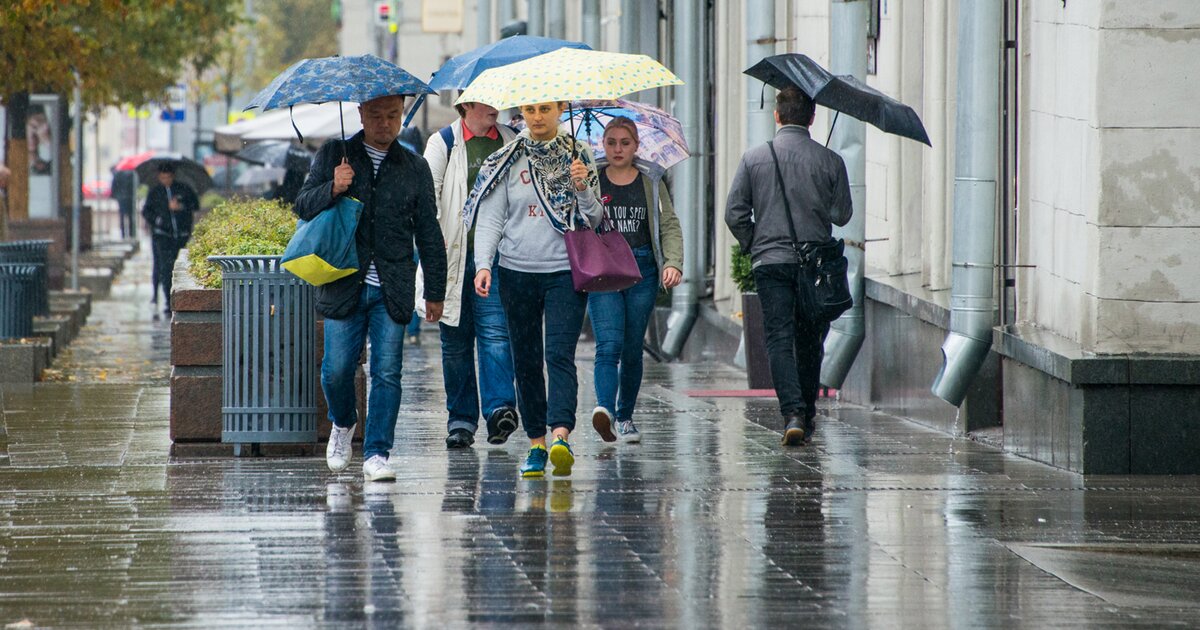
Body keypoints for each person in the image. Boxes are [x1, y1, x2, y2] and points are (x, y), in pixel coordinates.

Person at [294, 94, 447, 482]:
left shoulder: (414, 167)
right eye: (376, 116)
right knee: (336, 370)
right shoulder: (336, 153)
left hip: (391, 286)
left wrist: (435, 289)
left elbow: (429, 231)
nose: (385, 124)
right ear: (361, 114)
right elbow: (302, 205)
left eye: (392, 116)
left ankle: (377, 451)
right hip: (344, 281)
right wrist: (333, 186)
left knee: (388, 371)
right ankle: (343, 423)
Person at [467, 100, 604, 478]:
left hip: (564, 271)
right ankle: (537, 443)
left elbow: (594, 218)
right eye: (530, 109)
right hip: (516, 271)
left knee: (559, 354)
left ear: (560, 109)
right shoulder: (508, 157)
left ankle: (561, 434)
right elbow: (492, 216)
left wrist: (582, 187)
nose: (538, 117)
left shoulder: (578, 153)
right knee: (525, 359)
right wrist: (483, 265)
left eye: (545, 108)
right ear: (523, 114)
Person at [725, 87, 852, 447]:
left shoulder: (754, 158)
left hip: (770, 263)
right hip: (814, 266)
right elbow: (842, 215)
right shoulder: (830, 161)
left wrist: (755, 243)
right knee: (810, 340)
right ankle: (807, 416)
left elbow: (734, 213)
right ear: (812, 118)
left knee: (778, 340)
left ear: (777, 115)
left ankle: (792, 413)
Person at [423, 100, 520, 450]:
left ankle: (499, 410)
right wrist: (434, 247)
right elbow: (428, 198)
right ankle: (461, 420)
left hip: (495, 257)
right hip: (452, 257)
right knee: (455, 342)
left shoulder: (510, 139)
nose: (497, 107)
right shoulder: (443, 142)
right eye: (488, 102)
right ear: (467, 105)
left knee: (495, 332)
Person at [588, 117, 683, 444]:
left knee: (631, 349)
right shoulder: (592, 180)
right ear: (602, 144)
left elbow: (668, 224)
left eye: (624, 143)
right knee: (609, 344)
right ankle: (604, 410)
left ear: (636, 146)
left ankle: (625, 416)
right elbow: (578, 220)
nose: (617, 149)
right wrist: (577, 188)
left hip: (642, 270)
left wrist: (673, 263)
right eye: (611, 142)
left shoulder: (651, 181)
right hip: (604, 271)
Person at [141, 161, 198, 313]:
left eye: (168, 177)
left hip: (181, 235)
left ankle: (177, 296)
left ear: (173, 176)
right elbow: (147, 212)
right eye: (163, 177)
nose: (166, 180)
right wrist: (159, 219)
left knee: (178, 267)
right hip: (162, 236)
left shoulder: (183, 189)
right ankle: (168, 300)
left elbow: (194, 205)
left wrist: (180, 208)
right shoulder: (155, 192)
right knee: (165, 268)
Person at [110, 167, 137, 238]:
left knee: (122, 216)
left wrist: (114, 196)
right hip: (130, 197)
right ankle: (132, 233)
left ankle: (123, 234)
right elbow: (135, 186)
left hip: (121, 198)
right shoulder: (132, 174)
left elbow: (114, 186)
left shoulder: (117, 174)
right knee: (131, 216)